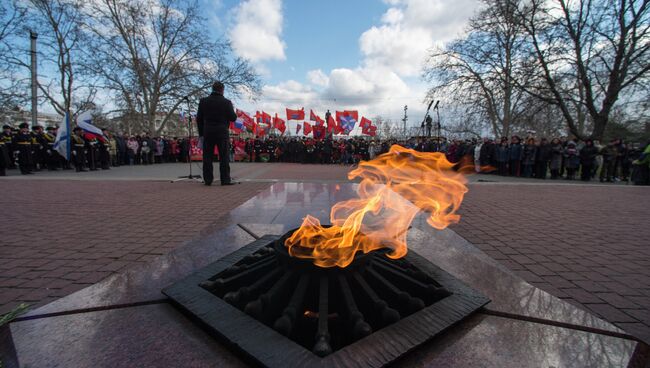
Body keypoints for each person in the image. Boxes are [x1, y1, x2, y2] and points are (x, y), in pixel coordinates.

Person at [196, 81, 237, 186]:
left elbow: (199, 119)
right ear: (222, 90)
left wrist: (201, 133)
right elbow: (233, 117)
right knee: (224, 157)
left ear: (212, 89)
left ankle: (208, 180)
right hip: (222, 132)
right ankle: (225, 180)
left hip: (208, 132)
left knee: (207, 157)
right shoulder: (226, 102)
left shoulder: (203, 101)